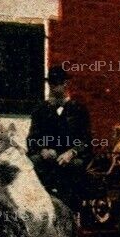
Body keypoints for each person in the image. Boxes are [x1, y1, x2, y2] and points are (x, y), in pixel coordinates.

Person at [27, 64, 92, 211]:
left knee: (74, 167)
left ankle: (71, 211)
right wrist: (42, 149)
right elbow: (32, 138)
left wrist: (71, 152)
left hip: (69, 158)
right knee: (33, 162)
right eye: (51, 83)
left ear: (65, 84)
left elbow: (86, 140)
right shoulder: (41, 110)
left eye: (56, 83)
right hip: (47, 158)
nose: (53, 87)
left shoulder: (78, 110)